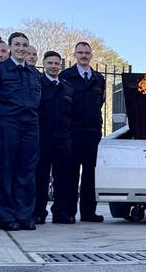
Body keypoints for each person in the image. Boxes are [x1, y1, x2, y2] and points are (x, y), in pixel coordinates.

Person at [0, 32, 42, 230]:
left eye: (24, 45)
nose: (21, 48)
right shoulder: (0, 70)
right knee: (6, 170)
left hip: (30, 125)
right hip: (8, 124)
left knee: (27, 172)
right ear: (10, 47)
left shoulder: (33, 73)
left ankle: (24, 215)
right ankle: (6, 216)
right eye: (17, 45)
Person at [60, 41, 106, 221]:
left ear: (91, 55)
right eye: (80, 52)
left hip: (92, 132)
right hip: (72, 132)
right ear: (75, 55)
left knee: (90, 174)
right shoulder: (66, 76)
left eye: (87, 53)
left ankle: (88, 212)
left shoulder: (99, 79)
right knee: (71, 173)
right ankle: (69, 212)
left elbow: (100, 103)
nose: (84, 55)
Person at [35, 50, 74, 225]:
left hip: (63, 139)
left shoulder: (67, 87)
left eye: (57, 63)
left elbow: (72, 114)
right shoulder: (37, 84)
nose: (53, 66)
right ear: (44, 64)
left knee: (63, 177)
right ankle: (38, 212)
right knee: (41, 177)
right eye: (50, 63)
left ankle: (61, 213)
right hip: (43, 137)